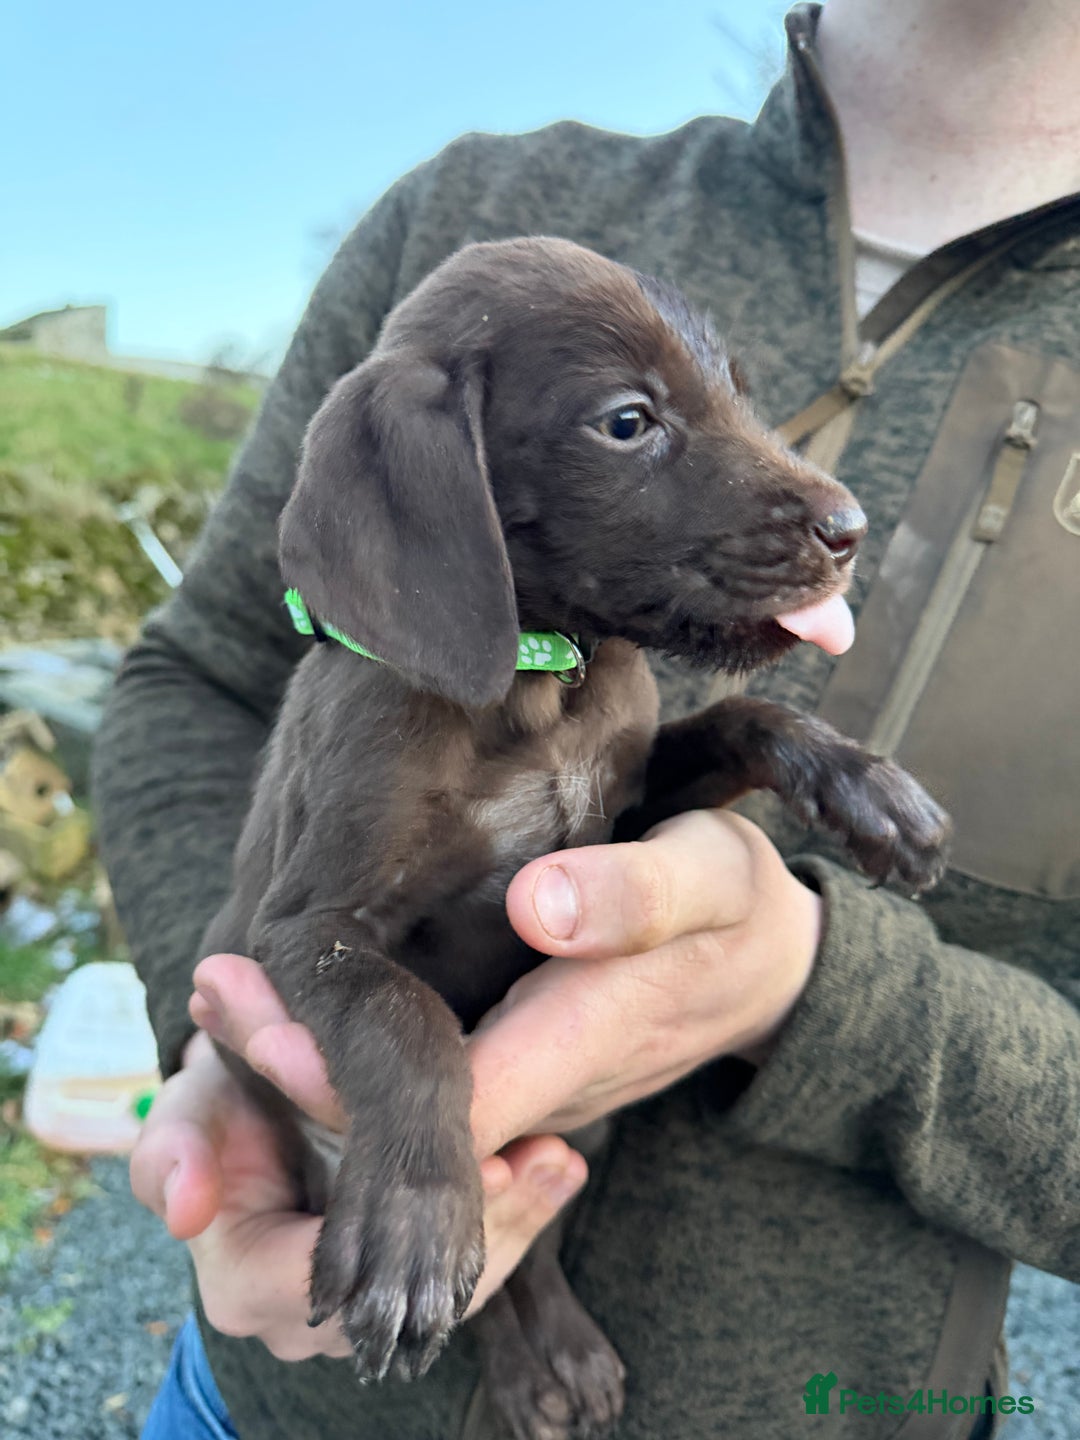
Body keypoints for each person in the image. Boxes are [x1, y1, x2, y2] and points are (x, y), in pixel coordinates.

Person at [93, 0, 1080, 1435]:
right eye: (632, 424)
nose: (827, 509)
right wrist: (231, 1053)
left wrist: (812, 981)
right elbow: (200, 679)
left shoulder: (615, 681)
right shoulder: (469, 218)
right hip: (277, 1400)